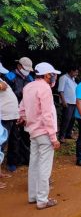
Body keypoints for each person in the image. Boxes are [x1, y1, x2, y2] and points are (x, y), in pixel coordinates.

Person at [19, 62, 61, 209]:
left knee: (34, 165)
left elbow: (22, 108)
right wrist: (53, 137)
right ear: (46, 75)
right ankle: (42, 200)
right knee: (44, 167)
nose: (54, 77)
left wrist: (24, 120)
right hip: (44, 133)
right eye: (52, 74)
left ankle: (33, 196)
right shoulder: (45, 88)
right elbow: (47, 115)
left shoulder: (28, 86)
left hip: (33, 132)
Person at [4, 57, 34, 171]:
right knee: (14, 137)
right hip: (13, 110)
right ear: (19, 66)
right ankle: (12, 162)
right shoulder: (9, 77)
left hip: (26, 110)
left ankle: (26, 159)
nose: (27, 71)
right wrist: (20, 93)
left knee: (26, 135)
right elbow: (6, 94)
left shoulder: (30, 78)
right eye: (25, 69)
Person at [0, 62, 19, 173]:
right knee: (1, 144)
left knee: (7, 143)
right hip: (4, 117)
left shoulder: (2, 80)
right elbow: (2, 87)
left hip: (10, 116)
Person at [58, 67, 79, 143]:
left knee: (72, 119)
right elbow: (61, 91)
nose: (76, 74)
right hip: (67, 103)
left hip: (74, 103)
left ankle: (68, 134)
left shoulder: (73, 79)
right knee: (66, 119)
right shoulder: (64, 78)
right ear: (71, 71)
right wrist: (63, 102)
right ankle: (61, 136)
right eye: (75, 72)